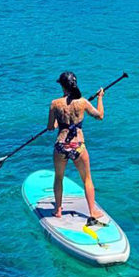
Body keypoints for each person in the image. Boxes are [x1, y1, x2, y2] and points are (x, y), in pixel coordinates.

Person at [47, 71, 105, 223]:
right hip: (78, 145)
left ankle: (58, 210)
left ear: (62, 85)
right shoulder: (83, 102)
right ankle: (92, 211)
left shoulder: (54, 104)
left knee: (59, 178)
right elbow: (100, 116)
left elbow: (50, 127)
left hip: (60, 146)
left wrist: (56, 122)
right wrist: (100, 98)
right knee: (87, 179)